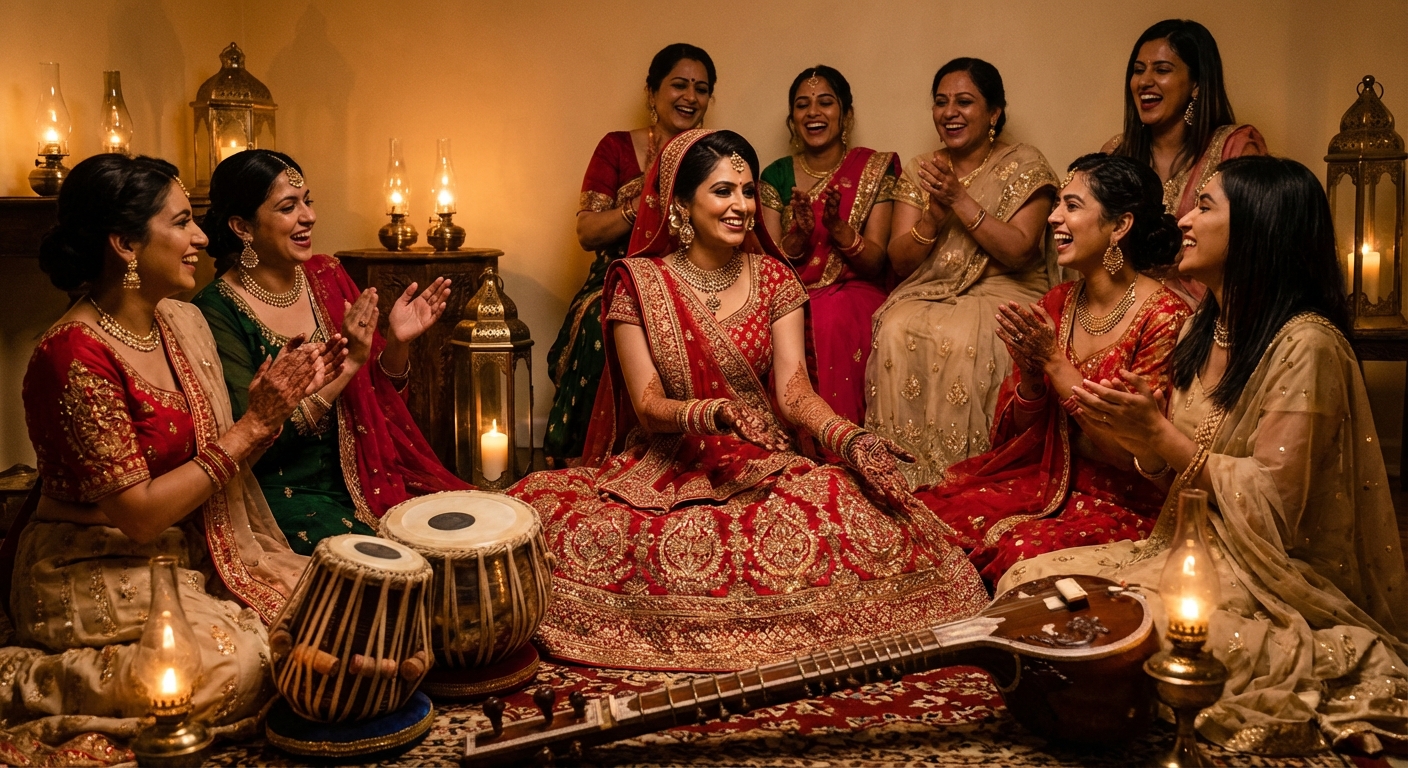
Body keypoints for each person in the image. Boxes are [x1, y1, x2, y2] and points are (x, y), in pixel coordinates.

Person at [511, 129, 988, 671]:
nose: (740, 206)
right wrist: (709, 413)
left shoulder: (775, 279)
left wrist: (849, 438)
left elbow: (793, 390)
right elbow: (647, 404)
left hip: (760, 463)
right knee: (583, 534)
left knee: (850, 515)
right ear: (681, 204)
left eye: (746, 191)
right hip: (663, 466)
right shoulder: (638, 282)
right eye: (722, 192)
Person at [1000, 156, 1408, 756]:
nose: (1184, 219)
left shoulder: (1309, 345)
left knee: (1135, 636)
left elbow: (1277, 508)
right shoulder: (1208, 327)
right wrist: (1144, 442)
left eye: (1206, 206)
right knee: (1026, 583)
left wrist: (1160, 439)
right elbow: (1174, 473)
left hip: (1267, 578)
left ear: (1257, 228)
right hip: (1180, 550)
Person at [0, 154, 331, 758]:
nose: (201, 239)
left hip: (182, 549)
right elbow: (139, 516)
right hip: (89, 566)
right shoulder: (72, 356)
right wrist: (255, 424)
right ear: (125, 243)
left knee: (326, 609)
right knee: (237, 671)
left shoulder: (179, 321)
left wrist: (275, 408)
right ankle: (22, 681)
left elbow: (210, 468)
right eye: (181, 223)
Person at [912, 154, 1190, 583]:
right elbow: (1018, 436)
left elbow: (1142, 458)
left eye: (1072, 206)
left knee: (1015, 551)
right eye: (1058, 204)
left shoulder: (1163, 317)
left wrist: (1055, 365)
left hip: (1125, 502)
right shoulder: (1057, 303)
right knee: (928, 512)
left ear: (1120, 227)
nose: (1054, 218)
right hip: (1045, 483)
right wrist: (1029, 377)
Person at [193, 149, 468, 554]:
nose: (308, 216)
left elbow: (381, 403)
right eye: (289, 206)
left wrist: (396, 344)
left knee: (471, 530)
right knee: (400, 566)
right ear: (242, 226)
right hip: (285, 495)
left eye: (308, 200)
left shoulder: (326, 275)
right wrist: (349, 364)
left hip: (371, 477)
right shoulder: (217, 312)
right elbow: (250, 440)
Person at [868, 58, 1058, 486]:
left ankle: (966, 480)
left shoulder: (1024, 164)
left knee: (964, 336)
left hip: (1007, 287)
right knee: (896, 325)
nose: (950, 112)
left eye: (964, 101)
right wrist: (932, 219)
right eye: (941, 102)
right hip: (931, 289)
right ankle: (905, 477)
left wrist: (960, 200)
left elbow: (1020, 250)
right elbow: (900, 262)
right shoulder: (923, 169)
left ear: (994, 112)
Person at [545, 43, 717, 466]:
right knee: (598, 321)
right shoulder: (618, 148)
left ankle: (693, 456)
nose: (690, 97)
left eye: (701, 88)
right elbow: (587, 231)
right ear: (651, 91)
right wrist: (646, 198)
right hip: (619, 278)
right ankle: (589, 462)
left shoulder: (713, 154)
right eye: (679, 84)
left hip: (690, 278)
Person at [759, 65, 900, 425]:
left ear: (846, 115)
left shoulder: (873, 168)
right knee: (787, 318)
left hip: (856, 290)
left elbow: (876, 262)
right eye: (803, 105)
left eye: (825, 102)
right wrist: (799, 238)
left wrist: (838, 230)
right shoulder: (775, 176)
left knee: (828, 319)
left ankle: (843, 445)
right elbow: (767, 266)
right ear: (792, 120)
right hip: (792, 292)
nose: (813, 113)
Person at [1104, 19, 1266, 302]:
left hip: (1206, 309)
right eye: (1138, 70)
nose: (1144, 82)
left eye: (1162, 70)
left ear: (1196, 85)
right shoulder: (1117, 154)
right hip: (1121, 305)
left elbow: (1254, 248)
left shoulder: (1234, 150)